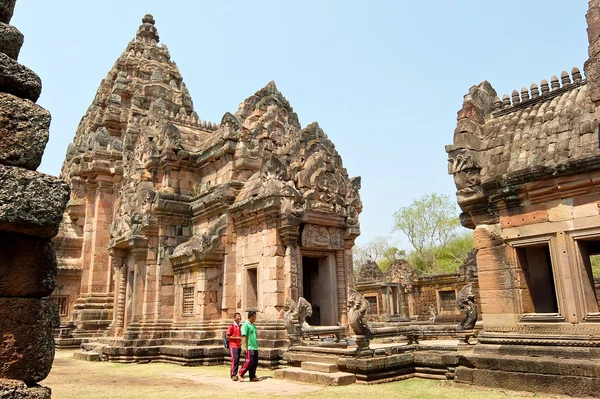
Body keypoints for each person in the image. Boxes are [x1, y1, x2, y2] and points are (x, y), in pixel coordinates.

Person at [238, 310, 260, 382]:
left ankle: (252, 376)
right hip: (249, 346)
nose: (255, 319)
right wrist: (245, 347)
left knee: (254, 362)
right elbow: (244, 336)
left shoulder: (253, 325)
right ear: (252, 316)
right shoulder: (245, 325)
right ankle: (241, 373)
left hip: (254, 346)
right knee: (249, 361)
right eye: (255, 317)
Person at [226, 312, 242, 381]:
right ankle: (233, 374)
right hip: (233, 345)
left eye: (240, 316)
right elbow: (228, 336)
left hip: (239, 345)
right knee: (234, 359)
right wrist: (237, 338)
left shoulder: (240, 326)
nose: (239, 317)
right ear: (234, 318)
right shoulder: (231, 326)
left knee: (237, 360)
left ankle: (234, 372)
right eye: (238, 316)